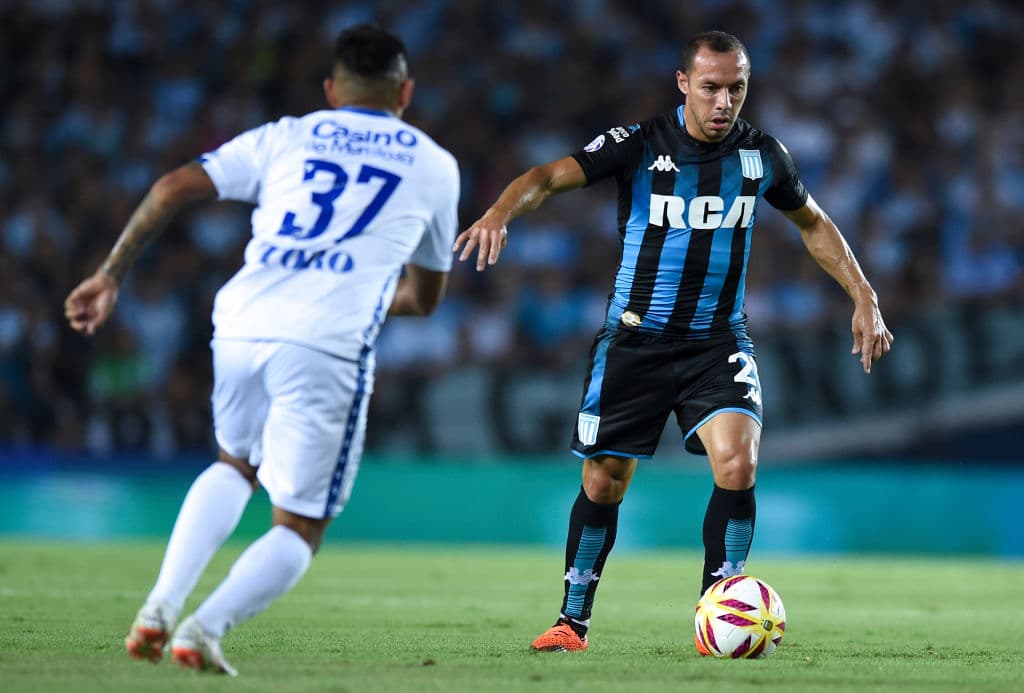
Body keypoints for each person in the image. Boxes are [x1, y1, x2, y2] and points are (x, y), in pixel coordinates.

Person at [453, 30, 893, 653]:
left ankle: (722, 604)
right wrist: (500, 212)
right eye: (710, 88)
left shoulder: (763, 156)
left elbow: (813, 224)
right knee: (604, 482)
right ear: (683, 83)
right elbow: (547, 177)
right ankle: (571, 622)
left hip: (718, 342)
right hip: (634, 343)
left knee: (739, 464)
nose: (723, 102)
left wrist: (864, 294)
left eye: (736, 89)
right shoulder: (637, 144)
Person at [64, 24, 460, 675]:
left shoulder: (287, 134)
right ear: (406, 92)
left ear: (332, 90)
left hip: (243, 319)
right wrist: (364, 291)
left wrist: (110, 273)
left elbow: (169, 188)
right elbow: (424, 298)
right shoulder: (435, 164)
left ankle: (158, 606)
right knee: (298, 525)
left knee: (233, 462)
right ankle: (203, 628)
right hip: (327, 340)